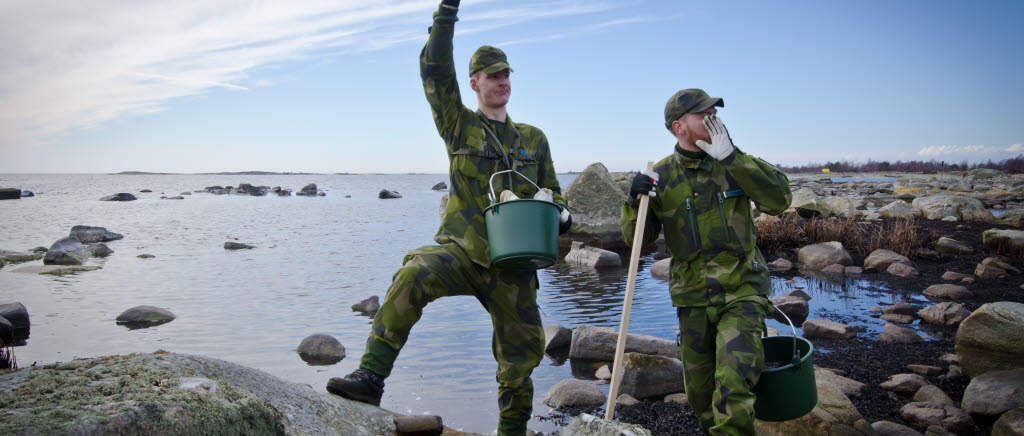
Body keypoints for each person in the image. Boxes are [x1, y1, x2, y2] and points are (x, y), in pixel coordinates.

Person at [326, 1, 570, 435]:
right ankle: (369, 379)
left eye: (506, 74)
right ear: (474, 83)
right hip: (461, 251)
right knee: (413, 274)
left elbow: (554, 192)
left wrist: (562, 213)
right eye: (493, 76)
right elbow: (435, 71)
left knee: (520, 359)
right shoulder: (459, 125)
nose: (502, 82)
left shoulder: (534, 139)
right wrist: (446, 15)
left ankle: (512, 432)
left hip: (513, 264)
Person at [621, 89, 792, 435]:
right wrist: (633, 199)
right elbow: (634, 240)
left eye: (715, 112)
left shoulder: (733, 163)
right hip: (692, 298)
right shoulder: (662, 175)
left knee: (733, 388)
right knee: (701, 397)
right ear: (679, 127)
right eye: (705, 114)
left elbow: (780, 199)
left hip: (742, 291)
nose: (715, 118)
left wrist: (732, 157)